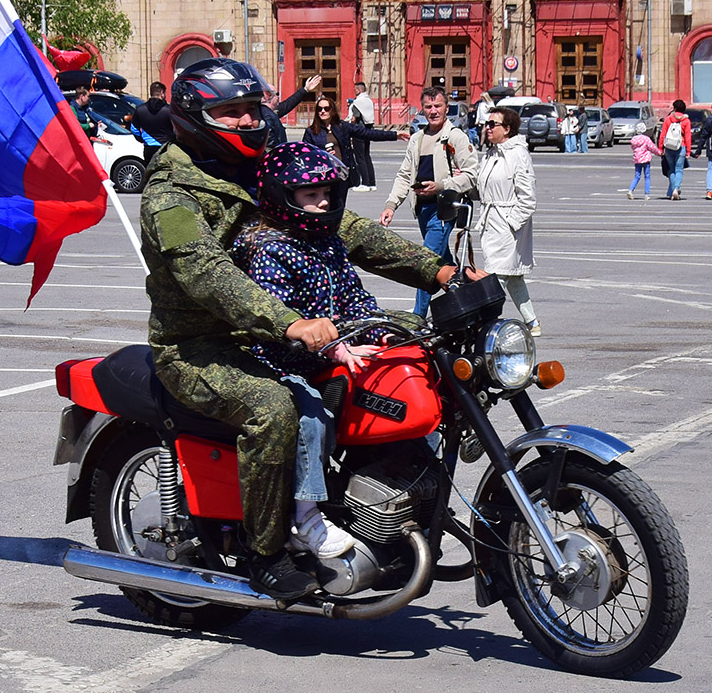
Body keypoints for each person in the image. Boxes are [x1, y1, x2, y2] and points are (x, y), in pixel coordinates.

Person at [141, 58, 470, 598]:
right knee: (274, 410)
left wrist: (437, 270)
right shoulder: (171, 195)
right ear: (195, 116)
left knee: (412, 355)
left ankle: (384, 505)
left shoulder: (260, 166)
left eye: (252, 109)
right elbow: (208, 275)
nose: (248, 121)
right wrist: (292, 323)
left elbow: (341, 225)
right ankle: (265, 550)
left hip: (280, 334)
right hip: (201, 347)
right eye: (232, 112)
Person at [231, 142, 391, 558]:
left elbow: (355, 297)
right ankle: (305, 518)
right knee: (311, 416)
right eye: (309, 195)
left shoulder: (328, 242)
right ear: (283, 197)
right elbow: (279, 321)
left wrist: (380, 329)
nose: (321, 203)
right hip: (277, 363)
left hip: (328, 353)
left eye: (326, 194)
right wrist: (330, 347)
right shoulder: (269, 249)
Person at [378, 86, 478, 316]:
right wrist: (391, 205)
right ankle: (471, 299)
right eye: (428, 106)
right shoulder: (417, 139)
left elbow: (472, 174)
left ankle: (417, 317)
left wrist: (441, 185)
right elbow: (405, 175)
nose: (433, 111)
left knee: (426, 261)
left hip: (443, 209)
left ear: (446, 108)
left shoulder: (455, 137)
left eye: (438, 106)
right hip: (422, 208)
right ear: (422, 108)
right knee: (444, 263)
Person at [476, 106, 541, 335]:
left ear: (507, 129)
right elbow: (483, 187)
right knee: (512, 276)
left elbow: (528, 197)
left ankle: (483, 323)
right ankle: (532, 322)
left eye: (493, 124)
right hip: (491, 221)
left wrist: (511, 222)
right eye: (487, 123)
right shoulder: (492, 153)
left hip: (506, 225)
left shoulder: (518, 154)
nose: (487, 127)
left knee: (496, 276)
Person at [303, 94, 407, 179]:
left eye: (326, 108)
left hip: (341, 173)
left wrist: (394, 135)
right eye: (320, 109)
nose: (323, 111)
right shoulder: (311, 131)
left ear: (332, 110)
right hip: (321, 174)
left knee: (340, 204)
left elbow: (368, 133)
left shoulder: (342, 127)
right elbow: (305, 155)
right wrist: (323, 154)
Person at [261, 74, 322, 149]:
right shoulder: (265, 115)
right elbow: (270, 144)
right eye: (277, 94)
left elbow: (289, 103)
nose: (278, 97)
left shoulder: (272, 112)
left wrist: (306, 89)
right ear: (268, 95)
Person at [130, 81, 175, 162]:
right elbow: (177, 129)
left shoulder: (140, 109)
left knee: (149, 172)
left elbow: (134, 129)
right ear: (162, 93)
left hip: (149, 147)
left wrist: (142, 139)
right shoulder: (169, 110)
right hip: (166, 147)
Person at [345, 81, 378, 191]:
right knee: (366, 156)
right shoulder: (369, 101)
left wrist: (348, 126)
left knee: (360, 158)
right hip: (368, 130)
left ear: (359, 90)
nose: (354, 92)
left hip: (358, 131)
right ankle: (372, 183)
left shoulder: (357, 102)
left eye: (355, 90)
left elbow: (354, 118)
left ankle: (365, 183)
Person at [658, 100, 693, 200]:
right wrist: (688, 150)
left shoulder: (668, 119)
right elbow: (688, 137)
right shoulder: (686, 121)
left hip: (669, 147)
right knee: (679, 170)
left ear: (675, 108)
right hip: (681, 146)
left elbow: (663, 134)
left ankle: (673, 189)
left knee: (672, 169)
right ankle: (676, 189)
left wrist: (661, 148)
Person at [627, 122, 660, 201]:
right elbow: (652, 148)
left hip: (637, 159)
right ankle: (646, 194)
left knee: (637, 176)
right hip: (645, 159)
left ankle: (630, 190)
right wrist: (659, 153)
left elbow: (633, 148)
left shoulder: (633, 139)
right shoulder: (646, 139)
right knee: (647, 177)